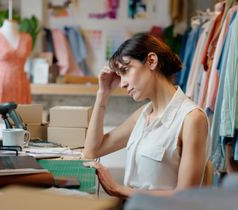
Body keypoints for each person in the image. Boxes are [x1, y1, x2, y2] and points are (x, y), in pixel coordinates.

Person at [83, 34, 209, 199]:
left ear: (151, 61)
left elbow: (185, 197)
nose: (122, 84)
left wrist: (118, 189)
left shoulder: (191, 119)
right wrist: (103, 93)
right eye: (120, 76)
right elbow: (92, 151)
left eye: (126, 71)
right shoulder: (143, 115)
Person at [0, 19, 33, 115]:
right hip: (2, 82)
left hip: (21, 83)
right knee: (0, 120)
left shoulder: (27, 38)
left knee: (23, 118)